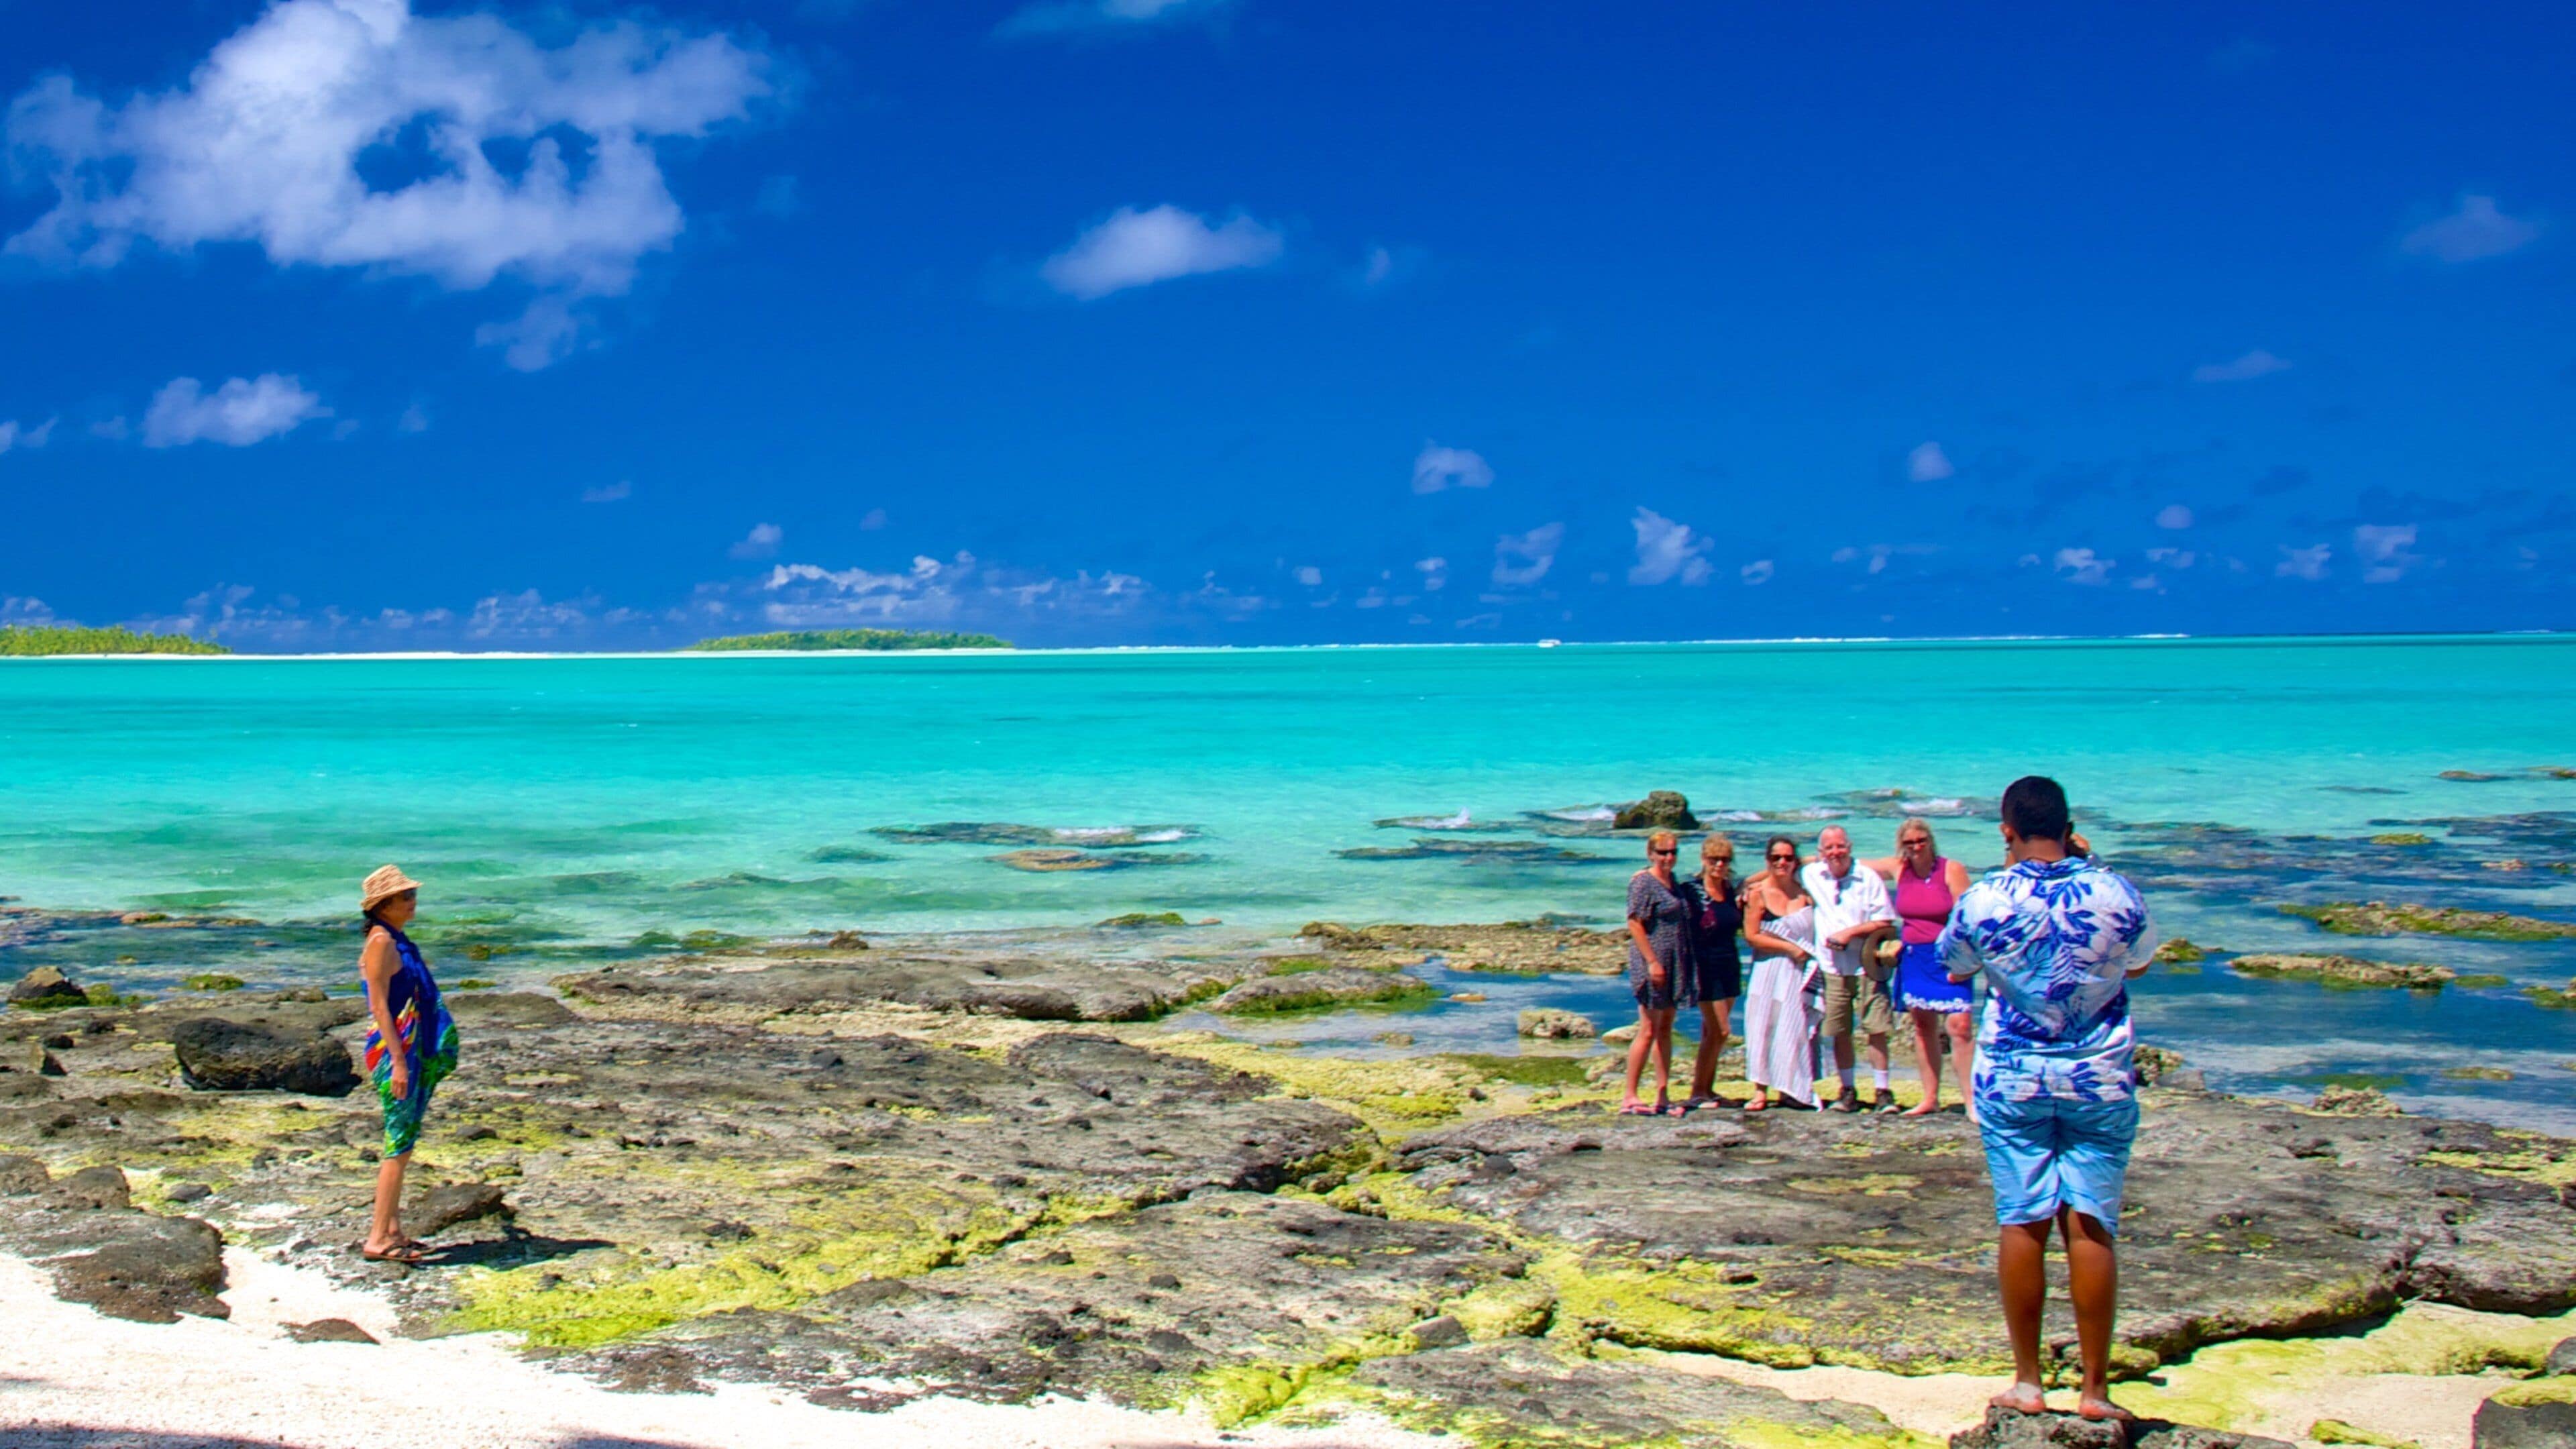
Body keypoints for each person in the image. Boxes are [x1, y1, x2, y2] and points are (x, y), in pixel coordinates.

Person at [1936, 776, 2156, 1422]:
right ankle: (2093, 1389)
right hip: (2097, 1074)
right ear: (2070, 826)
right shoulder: (2115, 891)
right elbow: (2139, 962)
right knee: (2091, 1221)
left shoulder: (1984, 898)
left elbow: (1955, 965)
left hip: (2014, 1077)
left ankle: (2028, 1381)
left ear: (2007, 831)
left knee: (2023, 1218)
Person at [357, 865, 461, 1265]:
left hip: (411, 1047)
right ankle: (377, 1238)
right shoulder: (381, 942)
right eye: (405, 897)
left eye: (412, 895)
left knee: (405, 1139)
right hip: (395, 1051)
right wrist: (399, 1062)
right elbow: (379, 1006)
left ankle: (394, 1230)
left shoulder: (396, 939)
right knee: (397, 1145)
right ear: (384, 905)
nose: (413, 902)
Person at [1868, 818, 1976, 1116]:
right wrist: (1806, 860)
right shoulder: (1899, 868)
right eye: (1909, 843)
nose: (1916, 847)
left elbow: (1969, 916)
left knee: (1960, 1026)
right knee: (1923, 1026)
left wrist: (1970, 961)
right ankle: (1930, 1098)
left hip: (1949, 957)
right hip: (1915, 956)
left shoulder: (1950, 869)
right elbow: (1853, 865)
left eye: (1921, 841)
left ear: (1930, 841)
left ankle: (1971, 1100)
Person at [1801, 826, 1900, 1112]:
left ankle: (1883, 1091)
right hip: (1832, 967)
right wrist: (1748, 886)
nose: (1836, 853)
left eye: (1840, 846)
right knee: (1839, 1029)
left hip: (1867, 964)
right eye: (1829, 848)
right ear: (1821, 853)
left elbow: (1885, 922)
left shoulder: (1867, 878)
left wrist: (1849, 934)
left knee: (1876, 1028)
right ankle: (1847, 1091)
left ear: (1850, 847)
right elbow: (1783, 870)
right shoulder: (1813, 875)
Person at [1739, 836, 1821, 1112]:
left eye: (1787, 858)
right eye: (1776, 858)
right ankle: (1760, 1090)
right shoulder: (1758, 893)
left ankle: (1789, 1087)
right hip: (1768, 968)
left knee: (1795, 1029)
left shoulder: (1805, 894)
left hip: (1797, 973)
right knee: (1762, 1026)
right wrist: (1787, 948)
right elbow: (1751, 936)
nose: (1782, 863)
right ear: (1768, 861)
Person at [1619, 830, 1695, 1116]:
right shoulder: (1643, 882)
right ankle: (1630, 1094)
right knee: (1648, 1028)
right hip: (1653, 962)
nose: (1668, 857)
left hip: (1674, 961)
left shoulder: (1674, 882)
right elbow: (1635, 923)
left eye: (1673, 852)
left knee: (1665, 1029)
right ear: (1650, 854)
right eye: (1662, 852)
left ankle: (1663, 1095)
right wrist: (1652, 962)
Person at [1676, 835, 1744, 1110]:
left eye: (1725, 860)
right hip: (1704, 967)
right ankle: (1698, 1091)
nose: (1719, 865)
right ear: (1703, 860)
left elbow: (1766, 874)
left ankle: (1707, 1089)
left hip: (1729, 963)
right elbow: (1661, 887)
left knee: (1712, 1033)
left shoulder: (1732, 890)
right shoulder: (1691, 889)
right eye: (1713, 859)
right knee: (1721, 1030)